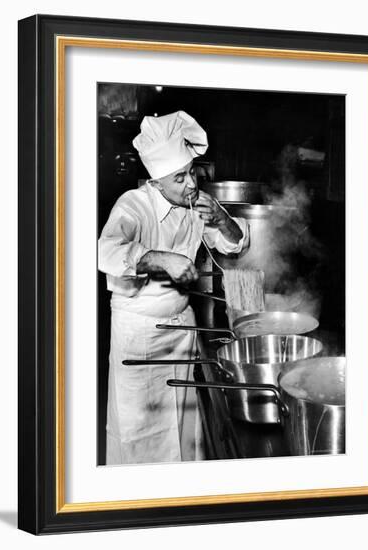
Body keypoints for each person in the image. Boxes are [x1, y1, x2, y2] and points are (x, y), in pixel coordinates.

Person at [98, 110, 249, 465]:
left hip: (181, 330)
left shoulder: (195, 202)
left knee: (184, 427)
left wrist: (223, 220)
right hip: (140, 335)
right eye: (179, 178)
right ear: (157, 182)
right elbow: (105, 250)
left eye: (192, 172)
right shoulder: (134, 205)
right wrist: (160, 259)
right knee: (140, 432)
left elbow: (235, 245)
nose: (191, 184)